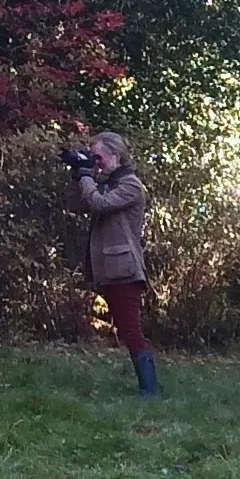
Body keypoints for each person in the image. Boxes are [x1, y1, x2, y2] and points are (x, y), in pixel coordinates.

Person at [69, 131, 157, 396]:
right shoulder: (107, 183)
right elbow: (78, 206)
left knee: (130, 329)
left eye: (99, 157)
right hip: (109, 267)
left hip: (124, 269)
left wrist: (87, 175)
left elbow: (100, 204)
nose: (96, 162)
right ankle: (149, 387)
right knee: (125, 327)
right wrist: (78, 175)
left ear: (115, 155)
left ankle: (150, 390)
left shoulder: (130, 185)